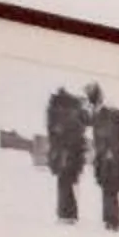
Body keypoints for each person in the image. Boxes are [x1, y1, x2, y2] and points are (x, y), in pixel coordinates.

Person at [86, 84, 119, 232]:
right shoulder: (98, 115)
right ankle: (109, 221)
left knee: (110, 189)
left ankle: (113, 222)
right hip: (104, 159)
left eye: (91, 101)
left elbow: (112, 138)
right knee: (107, 190)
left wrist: (109, 153)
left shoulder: (107, 116)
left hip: (110, 160)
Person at [43, 84, 85, 223]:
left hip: (66, 154)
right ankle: (67, 214)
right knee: (65, 182)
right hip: (68, 154)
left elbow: (56, 133)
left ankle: (66, 214)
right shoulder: (69, 116)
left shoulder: (63, 116)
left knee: (64, 182)